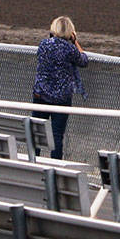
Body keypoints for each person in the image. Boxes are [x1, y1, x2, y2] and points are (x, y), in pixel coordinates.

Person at [30, 15, 88, 161]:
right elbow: (84, 60)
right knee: (57, 135)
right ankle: (55, 167)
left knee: (36, 132)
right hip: (61, 99)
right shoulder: (69, 49)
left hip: (40, 95)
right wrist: (75, 42)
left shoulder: (44, 44)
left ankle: (32, 162)